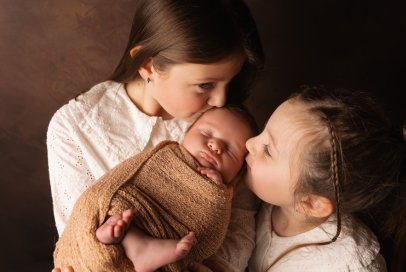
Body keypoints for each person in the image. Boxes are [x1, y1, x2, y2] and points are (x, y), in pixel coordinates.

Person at [47, 0, 264, 271]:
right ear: (149, 66)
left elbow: (241, 222)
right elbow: (80, 236)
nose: (220, 100)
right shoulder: (75, 127)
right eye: (205, 85)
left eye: (229, 82)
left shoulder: (226, 125)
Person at [243, 85, 406, 271]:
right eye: (262, 132)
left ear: (312, 203)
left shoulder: (350, 267)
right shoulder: (260, 197)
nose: (249, 143)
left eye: (268, 150)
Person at [53, 105, 258, 272]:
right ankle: (118, 239)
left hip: (164, 236)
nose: (215, 146)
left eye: (230, 150)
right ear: (186, 133)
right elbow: (121, 181)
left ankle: (130, 244)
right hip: (129, 211)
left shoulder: (224, 194)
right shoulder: (166, 153)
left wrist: (216, 194)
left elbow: (212, 233)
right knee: (119, 205)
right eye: (206, 133)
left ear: (238, 174)